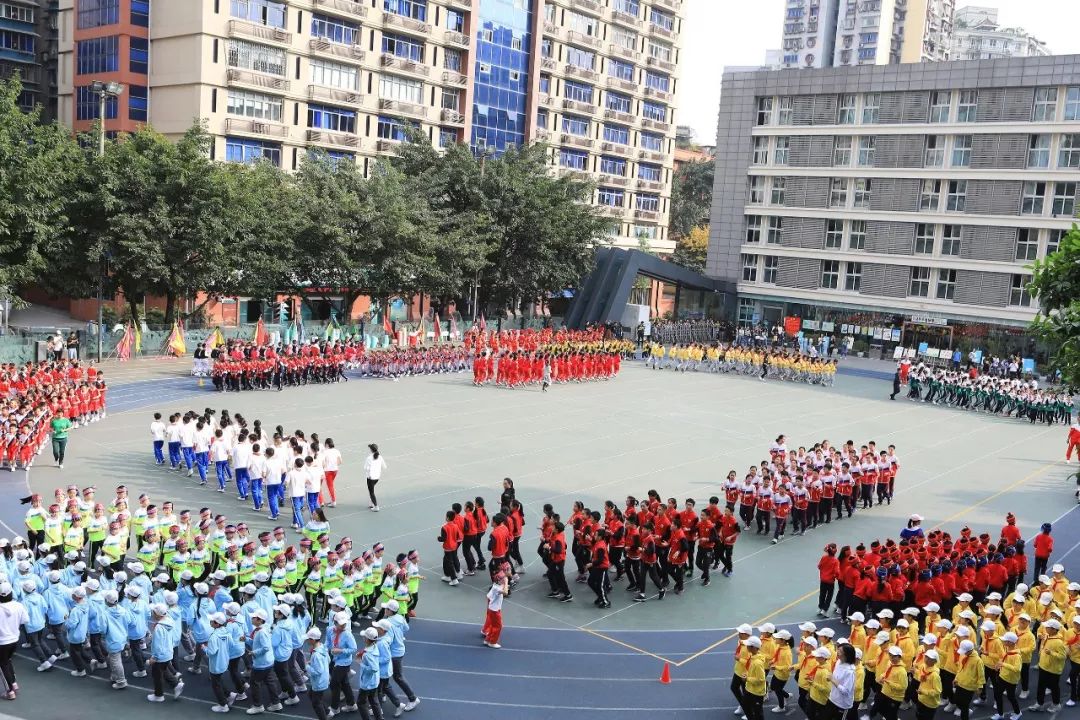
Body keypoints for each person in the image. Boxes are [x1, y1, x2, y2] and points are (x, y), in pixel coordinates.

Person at [147, 602, 184, 703]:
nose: (152, 613)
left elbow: (158, 645)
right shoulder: (169, 621)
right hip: (168, 652)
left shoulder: (159, 627)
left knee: (157, 675)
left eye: (154, 612)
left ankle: (159, 695)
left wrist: (154, 657)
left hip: (161, 655)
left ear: (158, 614)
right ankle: (176, 684)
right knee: (163, 670)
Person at [0, 581, 27, 700]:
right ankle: (14, 683)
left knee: (2, 665)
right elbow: (25, 620)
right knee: (8, 661)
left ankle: (10, 691)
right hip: (15, 639)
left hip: (2, 641)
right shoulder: (18, 605)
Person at [305, 627, 330, 720]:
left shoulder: (316, 655)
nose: (307, 640)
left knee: (316, 703)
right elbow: (328, 660)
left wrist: (307, 666)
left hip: (319, 683)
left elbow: (318, 671)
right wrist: (312, 663)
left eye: (308, 639)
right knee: (311, 695)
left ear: (312, 640)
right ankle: (327, 711)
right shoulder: (322, 647)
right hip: (323, 679)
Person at [483, 570, 508, 649]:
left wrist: (505, 584)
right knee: (498, 626)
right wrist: (506, 583)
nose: (504, 579)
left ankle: (487, 639)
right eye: (503, 579)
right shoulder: (497, 588)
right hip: (494, 610)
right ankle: (492, 642)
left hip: (492, 609)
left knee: (493, 625)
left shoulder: (496, 585)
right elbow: (505, 592)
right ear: (499, 580)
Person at [364, 444, 387, 512]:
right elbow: (384, 467)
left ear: (371, 450)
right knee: (371, 490)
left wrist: (370, 468)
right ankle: (371, 503)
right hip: (377, 477)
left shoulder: (369, 458)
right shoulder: (380, 457)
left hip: (370, 477)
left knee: (371, 492)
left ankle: (376, 506)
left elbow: (365, 468)